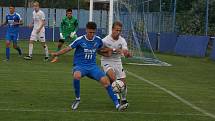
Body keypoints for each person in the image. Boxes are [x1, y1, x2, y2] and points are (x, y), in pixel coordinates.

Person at [51, 22, 127, 111]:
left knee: (106, 81)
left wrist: (110, 51)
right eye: (90, 32)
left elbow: (101, 49)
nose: (91, 34)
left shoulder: (98, 40)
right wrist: (56, 54)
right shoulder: (80, 40)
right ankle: (77, 99)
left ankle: (117, 105)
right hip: (80, 66)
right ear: (86, 30)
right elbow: (67, 48)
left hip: (92, 67)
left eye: (93, 32)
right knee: (77, 75)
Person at [99, 21, 131, 108]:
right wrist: (111, 50)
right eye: (116, 30)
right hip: (106, 61)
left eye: (120, 30)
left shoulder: (122, 40)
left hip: (117, 61)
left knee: (123, 83)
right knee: (112, 77)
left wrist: (127, 54)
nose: (118, 32)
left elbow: (125, 51)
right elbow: (99, 50)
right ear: (112, 29)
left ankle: (124, 99)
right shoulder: (105, 40)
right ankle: (117, 98)